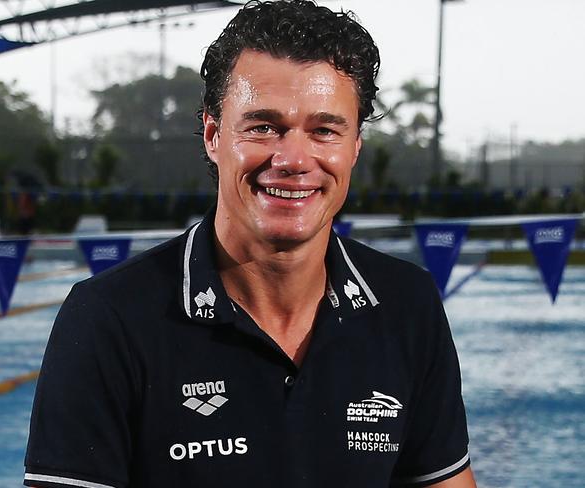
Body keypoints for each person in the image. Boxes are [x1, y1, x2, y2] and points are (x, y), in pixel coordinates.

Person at [24, 1, 477, 487]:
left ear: (355, 148)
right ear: (214, 135)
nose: (294, 159)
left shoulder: (407, 305)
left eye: (324, 131)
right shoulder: (109, 319)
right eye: (264, 127)